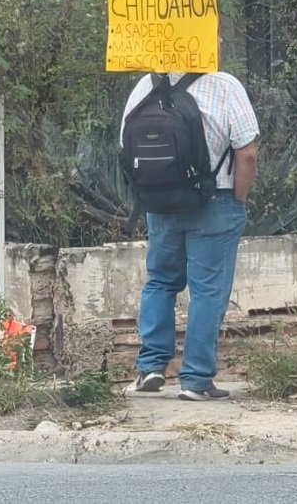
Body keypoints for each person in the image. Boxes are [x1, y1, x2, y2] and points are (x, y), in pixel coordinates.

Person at [120, 69, 259, 401]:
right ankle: (195, 380)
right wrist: (238, 199)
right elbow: (247, 153)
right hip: (215, 201)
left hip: (161, 204)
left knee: (160, 281)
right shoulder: (225, 85)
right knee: (207, 291)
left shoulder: (146, 85)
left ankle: (150, 368)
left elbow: (125, 146)